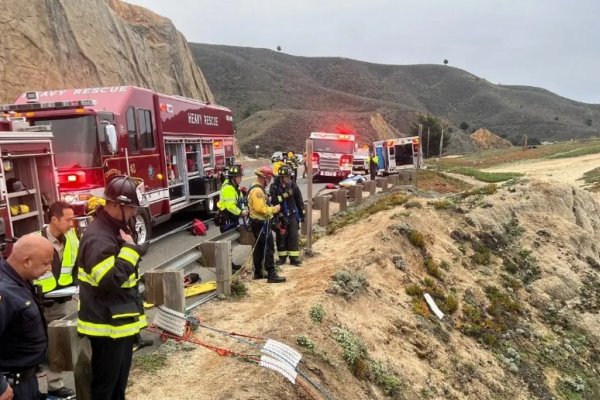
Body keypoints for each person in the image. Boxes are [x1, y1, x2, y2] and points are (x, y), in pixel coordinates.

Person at [77, 176, 148, 400]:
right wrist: (130, 250)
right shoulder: (99, 237)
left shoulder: (114, 228)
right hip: (107, 326)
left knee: (117, 388)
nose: (134, 213)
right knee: (105, 389)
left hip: (118, 320)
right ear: (117, 205)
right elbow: (107, 281)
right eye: (131, 208)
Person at [1, 235, 54, 400]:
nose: (50, 269)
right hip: (11, 388)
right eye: (46, 263)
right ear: (27, 261)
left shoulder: (19, 280)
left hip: (26, 380)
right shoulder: (5, 291)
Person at [35, 202, 78, 399]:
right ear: (54, 220)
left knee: (57, 343)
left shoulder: (72, 237)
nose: (72, 223)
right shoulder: (35, 240)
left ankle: (55, 386)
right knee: (32, 345)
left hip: (61, 302)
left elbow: (77, 263)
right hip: (37, 304)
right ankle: (30, 389)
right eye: (68, 219)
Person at [248, 166, 286, 283]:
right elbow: (261, 208)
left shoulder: (257, 189)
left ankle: (258, 272)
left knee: (259, 248)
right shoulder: (258, 191)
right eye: (268, 179)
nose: (269, 181)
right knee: (269, 248)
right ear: (264, 178)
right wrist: (274, 209)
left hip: (258, 223)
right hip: (260, 224)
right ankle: (271, 273)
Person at [269, 165, 304, 266]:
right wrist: (286, 195)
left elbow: (299, 200)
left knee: (293, 236)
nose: (288, 178)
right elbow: (274, 200)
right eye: (286, 177)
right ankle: (282, 258)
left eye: (289, 176)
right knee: (281, 238)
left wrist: (302, 214)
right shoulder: (274, 187)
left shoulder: (293, 185)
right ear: (281, 177)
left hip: (292, 214)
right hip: (280, 216)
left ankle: (294, 258)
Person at [216, 165, 248, 233]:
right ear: (233, 178)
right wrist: (240, 212)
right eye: (239, 176)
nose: (241, 178)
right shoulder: (228, 188)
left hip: (232, 217)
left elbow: (240, 199)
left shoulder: (234, 186)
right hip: (228, 219)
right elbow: (230, 206)